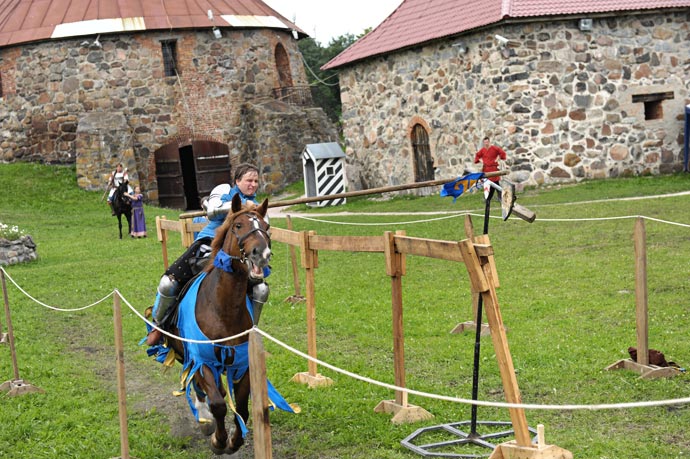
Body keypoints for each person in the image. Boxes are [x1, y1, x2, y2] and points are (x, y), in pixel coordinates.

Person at [145, 163, 270, 345]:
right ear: (237, 181)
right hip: (208, 243)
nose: (253, 184)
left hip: (240, 254)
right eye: (248, 180)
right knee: (168, 283)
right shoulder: (224, 190)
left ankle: (252, 329)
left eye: (256, 181)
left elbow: (263, 230)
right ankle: (159, 326)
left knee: (261, 289)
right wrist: (243, 205)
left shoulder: (258, 208)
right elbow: (212, 212)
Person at [474, 136, 507, 201]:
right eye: (485, 142)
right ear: (483, 143)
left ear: (489, 142)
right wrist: (481, 161)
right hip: (486, 169)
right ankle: (487, 198)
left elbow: (502, 153)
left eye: (487, 142)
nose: (486, 143)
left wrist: (498, 159)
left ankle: (500, 197)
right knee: (487, 183)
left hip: (493, 168)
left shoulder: (494, 148)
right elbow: (477, 156)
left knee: (496, 183)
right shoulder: (482, 150)